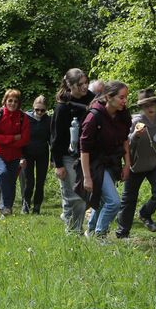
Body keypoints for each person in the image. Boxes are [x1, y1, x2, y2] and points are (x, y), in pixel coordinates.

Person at [116, 88, 156, 238]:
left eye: (153, 104)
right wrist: (135, 136)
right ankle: (122, 233)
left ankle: (145, 213)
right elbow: (125, 145)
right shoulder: (134, 122)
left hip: (153, 165)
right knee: (128, 200)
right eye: (146, 106)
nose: (150, 108)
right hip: (134, 166)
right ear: (141, 107)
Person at [80, 81, 132, 238]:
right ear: (109, 97)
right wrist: (87, 177)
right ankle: (100, 235)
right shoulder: (93, 117)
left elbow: (124, 140)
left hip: (112, 162)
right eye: (121, 97)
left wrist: (127, 164)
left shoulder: (123, 115)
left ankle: (91, 231)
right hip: (95, 165)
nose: (125, 101)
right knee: (113, 202)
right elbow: (84, 149)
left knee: (103, 201)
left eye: (126, 97)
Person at [51, 69, 94, 235]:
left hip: (86, 154)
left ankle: (72, 222)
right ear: (70, 85)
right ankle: (73, 234)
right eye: (80, 84)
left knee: (84, 196)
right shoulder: (62, 107)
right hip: (67, 157)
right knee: (73, 196)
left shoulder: (91, 98)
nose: (84, 87)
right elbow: (55, 137)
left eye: (86, 83)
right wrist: (58, 164)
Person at [0, 89, 30, 216]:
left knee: (11, 180)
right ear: (5, 101)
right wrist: (11, 138)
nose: (12, 103)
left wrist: (4, 140)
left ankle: (8, 208)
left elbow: (24, 139)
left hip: (15, 153)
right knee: (3, 173)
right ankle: (4, 205)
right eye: (10, 100)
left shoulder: (23, 117)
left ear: (19, 103)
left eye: (15, 101)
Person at [21, 95, 52, 214]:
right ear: (33, 107)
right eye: (37, 109)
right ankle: (26, 203)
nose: (39, 112)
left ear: (46, 109)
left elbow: (51, 139)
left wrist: (53, 159)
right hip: (27, 153)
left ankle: (37, 206)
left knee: (40, 181)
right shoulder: (25, 118)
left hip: (42, 154)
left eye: (42, 110)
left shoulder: (48, 120)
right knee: (29, 181)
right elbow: (22, 139)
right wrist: (22, 157)